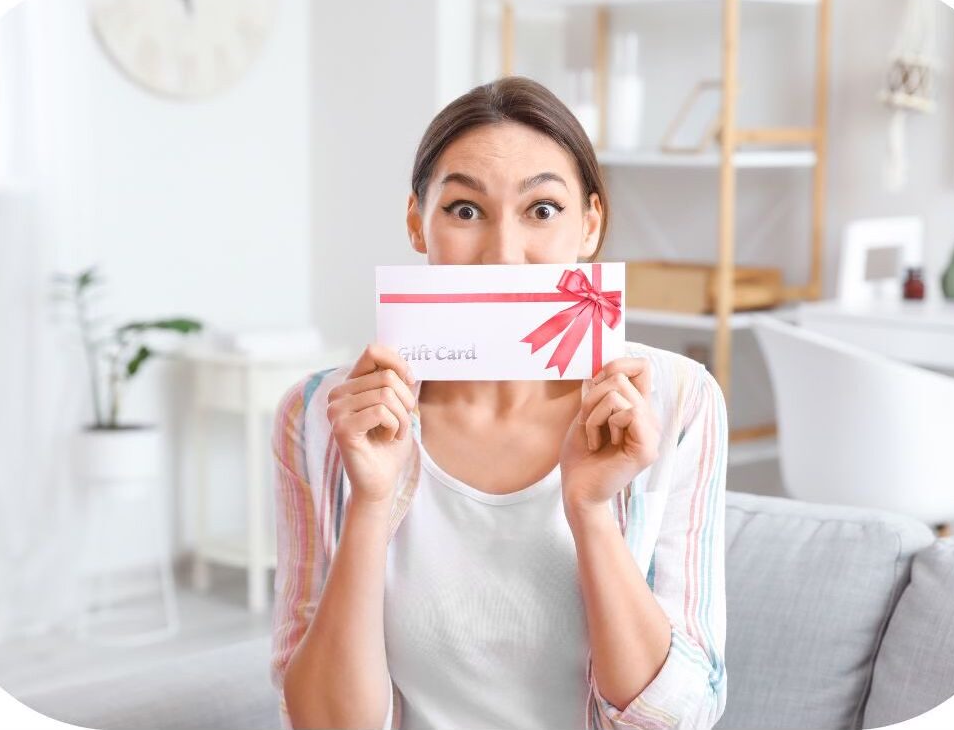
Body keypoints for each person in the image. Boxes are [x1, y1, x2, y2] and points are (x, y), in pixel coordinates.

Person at [269, 76, 728, 730]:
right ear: (415, 223)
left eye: (542, 210)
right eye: (464, 210)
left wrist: (592, 511)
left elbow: (679, 718)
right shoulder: (318, 417)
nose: (502, 256)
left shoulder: (677, 403)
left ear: (590, 226)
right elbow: (320, 723)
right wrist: (370, 506)